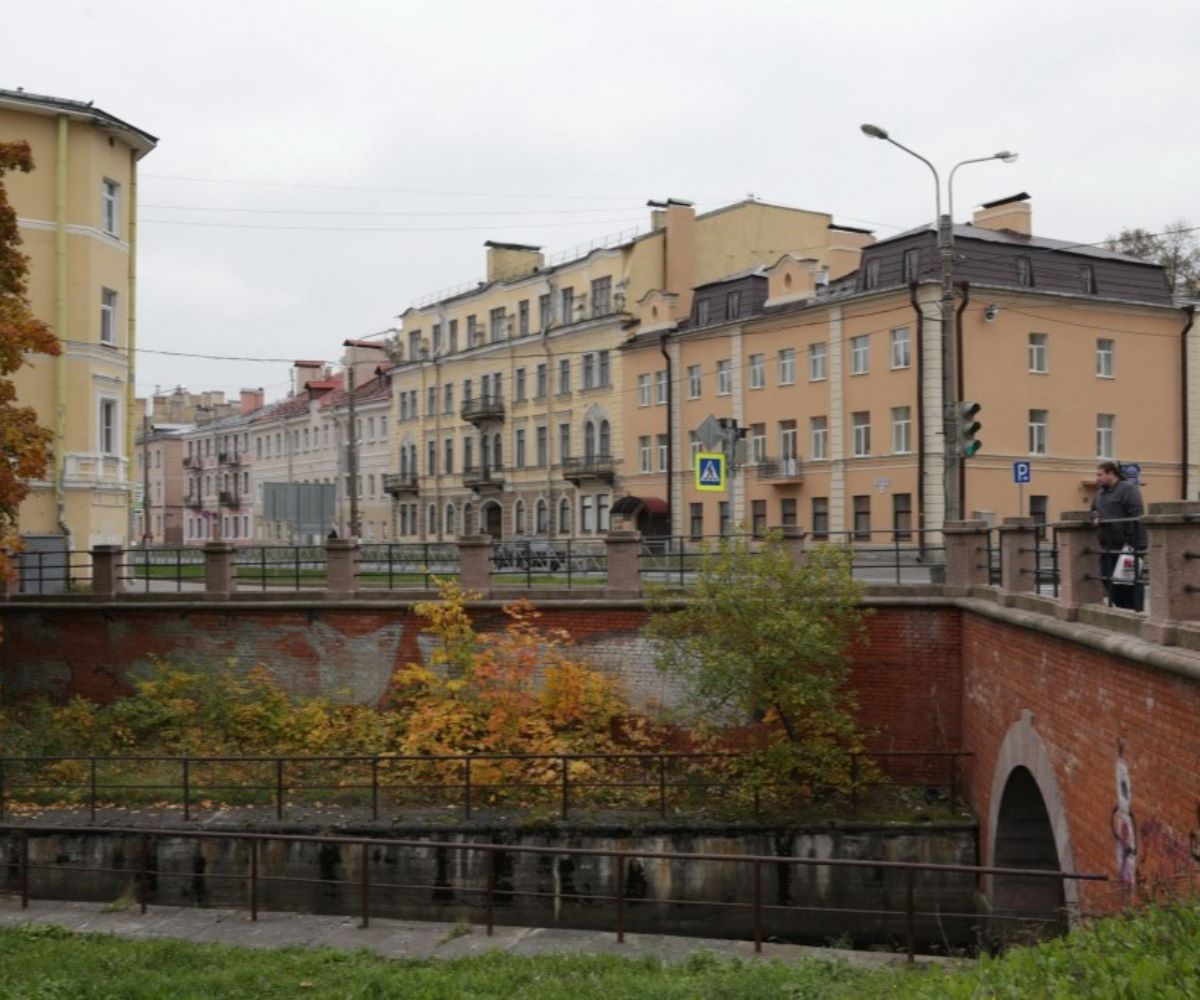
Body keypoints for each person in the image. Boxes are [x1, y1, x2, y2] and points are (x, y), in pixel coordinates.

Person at [1090, 461, 1145, 610]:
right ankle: (1122, 607)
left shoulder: (1128, 489)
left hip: (1128, 544)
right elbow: (1093, 509)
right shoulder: (1100, 492)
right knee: (1106, 576)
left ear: (1111, 473)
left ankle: (1135, 611)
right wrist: (1095, 516)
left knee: (1129, 580)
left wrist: (1130, 543)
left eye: (1100, 474)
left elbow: (1136, 515)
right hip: (1107, 544)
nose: (1097, 478)